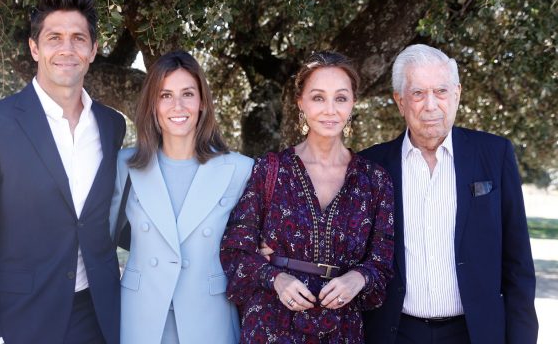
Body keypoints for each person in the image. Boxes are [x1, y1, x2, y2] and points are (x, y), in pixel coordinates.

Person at [0, 0, 125, 344]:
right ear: (35, 47)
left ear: (93, 50)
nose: (67, 49)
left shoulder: (112, 126)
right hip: (19, 323)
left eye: (79, 38)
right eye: (54, 37)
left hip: (98, 319)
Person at [360, 44, 539, 344]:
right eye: (418, 94)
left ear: (456, 94)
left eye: (441, 91)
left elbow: (518, 264)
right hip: (395, 333)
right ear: (400, 101)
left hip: (475, 334)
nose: (431, 105)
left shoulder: (495, 154)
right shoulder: (371, 165)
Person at [220, 51, 395, 343]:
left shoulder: (374, 180)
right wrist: (276, 278)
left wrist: (358, 278)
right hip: (271, 324)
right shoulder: (271, 169)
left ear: (353, 103)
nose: (330, 109)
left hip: (342, 328)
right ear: (300, 103)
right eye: (318, 97)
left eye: (340, 98)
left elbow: (383, 263)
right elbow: (235, 250)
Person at [108, 50, 253, 344]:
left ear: (202, 103)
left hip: (209, 317)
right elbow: (100, 244)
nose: (178, 105)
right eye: (165, 95)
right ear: (153, 105)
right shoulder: (124, 165)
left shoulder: (239, 170)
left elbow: (253, 252)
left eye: (188, 93)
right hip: (140, 317)